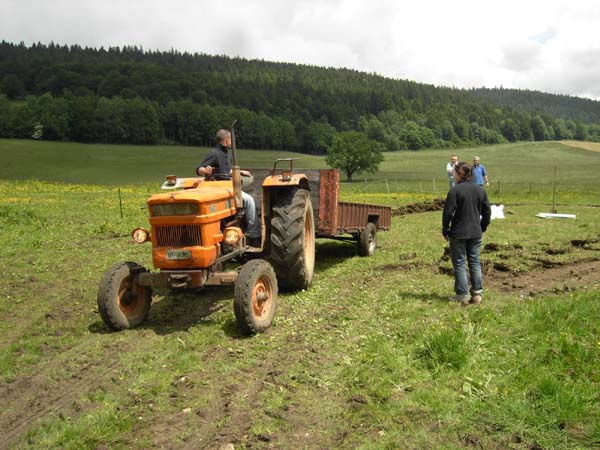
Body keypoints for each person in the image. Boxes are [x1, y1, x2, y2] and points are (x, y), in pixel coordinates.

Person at [196, 129, 261, 247]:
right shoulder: (214, 153)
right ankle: (255, 235)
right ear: (226, 140)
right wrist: (205, 170)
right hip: (219, 188)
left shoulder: (226, 154)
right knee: (249, 201)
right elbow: (199, 168)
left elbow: (226, 171)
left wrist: (240, 171)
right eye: (231, 139)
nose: (231, 142)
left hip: (228, 187)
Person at [442, 162, 491, 305]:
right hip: (475, 232)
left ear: (460, 174)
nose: (453, 175)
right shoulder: (480, 191)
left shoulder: (454, 191)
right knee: (475, 262)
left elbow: (448, 213)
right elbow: (487, 211)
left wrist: (445, 229)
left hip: (458, 233)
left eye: (455, 173)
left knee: (459, 263)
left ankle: (462, 295)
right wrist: (482, 227)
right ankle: (477, 294)